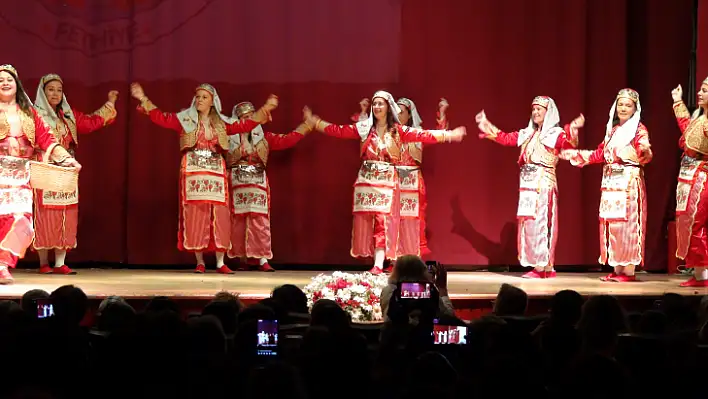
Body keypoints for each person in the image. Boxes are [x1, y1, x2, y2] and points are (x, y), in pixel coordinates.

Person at [305, 90, 465, 274]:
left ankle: (379, 264)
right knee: (369, 222)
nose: (377, 107)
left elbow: (424, 135)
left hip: (388, 181)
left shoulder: (398, 130)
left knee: (383, 221)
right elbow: (340, 130)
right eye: (375, 104)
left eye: (381, 103)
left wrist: (450, 135)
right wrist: (316, 123)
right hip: (367, 180)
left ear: (388, 107)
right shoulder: (365, 128)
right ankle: (378, 260)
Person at [130, 82, 278, 273]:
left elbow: (245, 124)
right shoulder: (185, 120)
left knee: (220, 215)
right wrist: (143, 99)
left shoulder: (222, 124)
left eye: (204, 97)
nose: (199, 100)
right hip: (193, 170)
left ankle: (219, 262)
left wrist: (265, 109)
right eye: (197, 96)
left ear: (212, 101)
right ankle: (199, 261)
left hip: (216, 171)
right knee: (196, 215)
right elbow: (162, 118)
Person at [476, 96, 584, 278]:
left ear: (548, 112)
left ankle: (543, 267)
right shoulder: (528, 133)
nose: (535, 113)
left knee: (541, 223)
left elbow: (568, 143)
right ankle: (541, 267)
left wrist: (572, 129)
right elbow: (506, 138)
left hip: (544, 184)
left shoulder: (555, 134)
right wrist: (487, 126)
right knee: (529, 224)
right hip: (527, 186)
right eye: (533, 109)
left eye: (539, 109)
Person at [0, 65, 81, 284]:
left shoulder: (28, 113)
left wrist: (66, 159)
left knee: (23, 223)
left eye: (9, 79)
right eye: (0, 80)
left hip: (20, 177)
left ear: (17, 84)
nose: (5, 83)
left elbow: (47, 139)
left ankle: (3, 264)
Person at [561, 89, 651, 282]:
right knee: (612, 224)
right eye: (621, 104)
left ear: (635, 109)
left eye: (628, 105)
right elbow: (601, 154)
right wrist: (579, 157)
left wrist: (644, 150)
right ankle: (618, 269)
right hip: (611, 185)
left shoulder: (639, 130)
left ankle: (628, 271)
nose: (623, 108)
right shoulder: (613, 131)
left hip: (627, 183)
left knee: (626, 225)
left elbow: (644, 150)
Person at [32, 73, 118, 275]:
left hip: (67, 170)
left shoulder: (68, 116)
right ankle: (43, 262)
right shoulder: (33, 115)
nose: (55, 93)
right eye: (51, 89)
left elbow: (89, 122)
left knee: (66, 213)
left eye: (59, 90)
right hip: (45, 168)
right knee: (45, 215)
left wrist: (110, 103)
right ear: (42, 92)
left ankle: (60, 262)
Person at [226, 101, 312, 272]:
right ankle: (243, 258)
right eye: (244, 118)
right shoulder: (228, 140)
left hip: (257, 181)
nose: (248, 120)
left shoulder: (264, 138)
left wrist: (305, 126)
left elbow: (286, 140)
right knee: (238, 222)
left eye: (251, 117)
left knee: (260, 221)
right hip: (237, 182)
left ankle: (262, 259)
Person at [394, 97, 449, 263]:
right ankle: (394, 259)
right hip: (394, 181)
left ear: (409, 115)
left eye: (401, 112)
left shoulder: (417, 135)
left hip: (412, 182)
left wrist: (442, 113)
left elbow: (438, 134)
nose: (397, 115)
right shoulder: (389, 133)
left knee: (413, 221)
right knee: (394, 219)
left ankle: (412, 258)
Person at [672, 79, 708, 287]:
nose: (700, 93)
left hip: (702, 176)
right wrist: (678, 102)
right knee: (689, 223)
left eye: (705, 90)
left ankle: (702, 275)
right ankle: (698, 271)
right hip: (689, 175)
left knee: (697, 223)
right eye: (700, 89)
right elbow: (687, 129)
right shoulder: (699, 118)